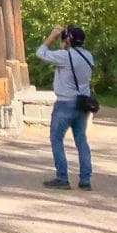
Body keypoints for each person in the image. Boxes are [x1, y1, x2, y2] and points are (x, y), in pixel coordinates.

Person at [35, 24, 95, 190]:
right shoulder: (88, 56)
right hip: (82, 103)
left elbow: (40, 53)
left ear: (68, 39)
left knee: (56, 139)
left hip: (65, 104)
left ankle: (62, 178)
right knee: (81, 140)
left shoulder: (64, 56)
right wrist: (65, 46)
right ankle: (85, 180)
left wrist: (53, 35)